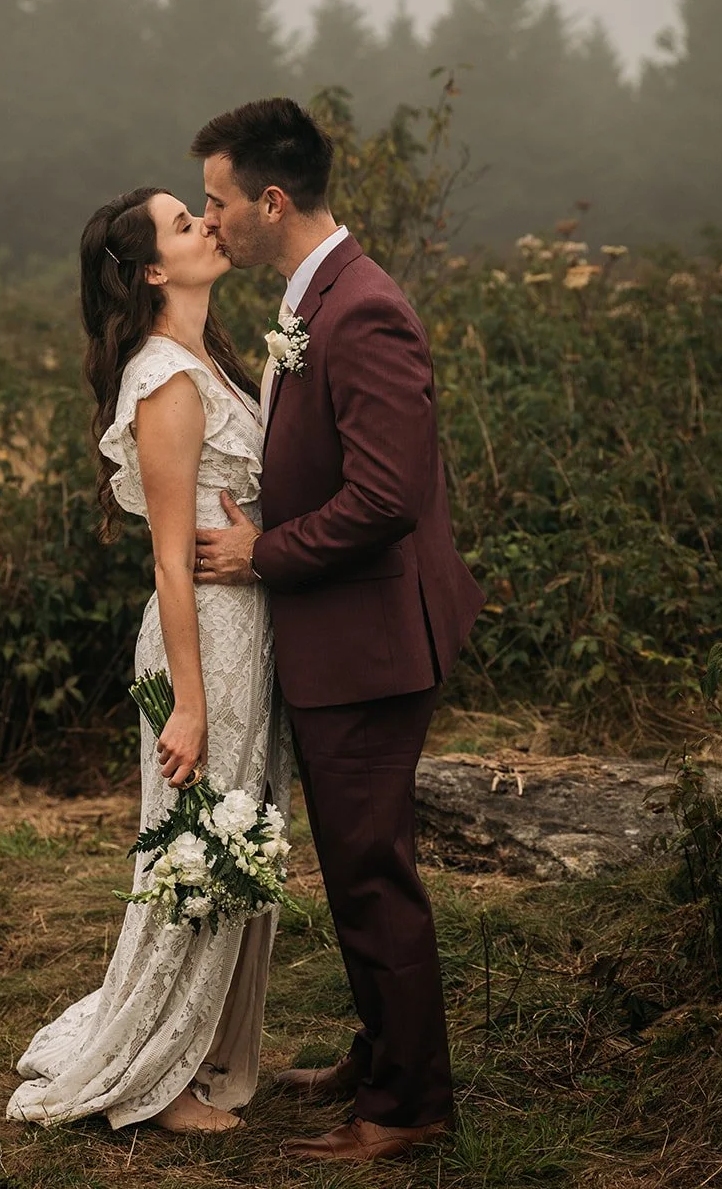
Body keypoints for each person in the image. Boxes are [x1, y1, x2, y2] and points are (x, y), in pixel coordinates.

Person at [191, 98, 484, 1164]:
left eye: (218, 201)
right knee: (350, 856)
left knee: (371, 872)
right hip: (343, 639)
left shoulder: (359, 309)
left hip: (370, 643)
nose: (208, 219)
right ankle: (378, 1052)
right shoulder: (307, 302)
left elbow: (386, 496)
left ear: (272, 200)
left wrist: (260, 553)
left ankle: (410, 1105)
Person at [6, 186, 291, 1133]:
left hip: (242, 631)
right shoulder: (165, 378)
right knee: (197, 845)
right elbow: (170, 557)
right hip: (201, 640)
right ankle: (156, 1084)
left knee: (234, 837)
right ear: (155, 272)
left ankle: (198, 1044)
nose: (210, 222)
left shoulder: (207, 360)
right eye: (185, 222)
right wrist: (190, 704)